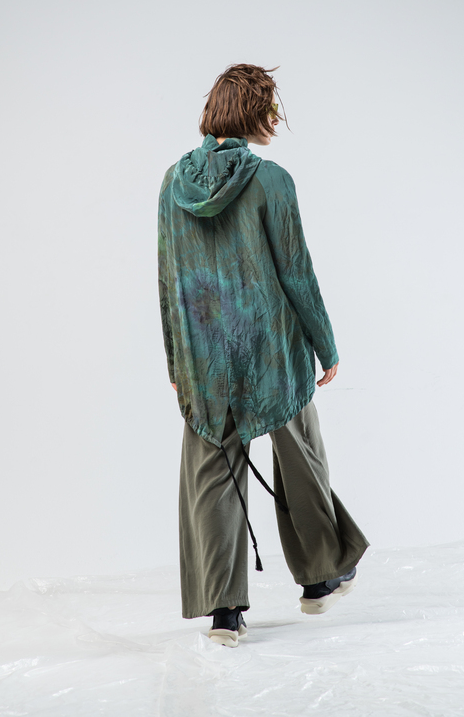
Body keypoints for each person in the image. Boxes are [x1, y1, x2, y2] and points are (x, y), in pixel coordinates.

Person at [157, 63, 369, 647]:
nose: (277, 119)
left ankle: (224, 614)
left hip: (204, 357)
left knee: (213, 474)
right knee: (302, 459)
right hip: (272, 348)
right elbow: (295, 271)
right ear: (253, 113)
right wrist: (324, 343)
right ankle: (320, 579)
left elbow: (169, 279)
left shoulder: (173, 182)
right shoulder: (271, 180)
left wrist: (177, 360)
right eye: (272, 108)